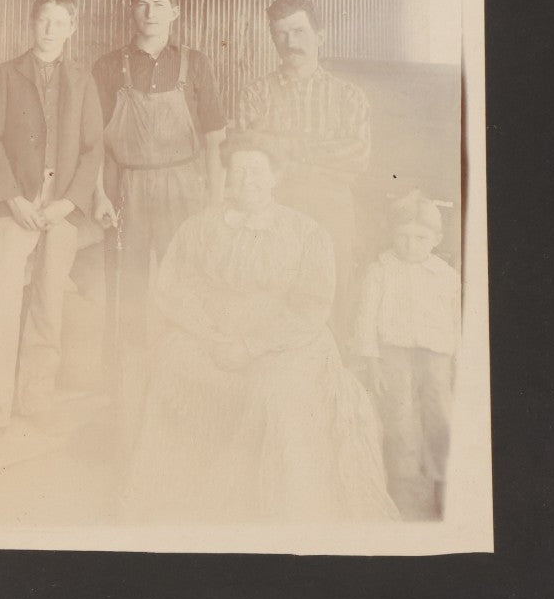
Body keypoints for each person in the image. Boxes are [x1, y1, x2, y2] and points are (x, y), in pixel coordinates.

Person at [121, 138, 397, 523]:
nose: (247, 180)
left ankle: (269, 512)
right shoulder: (198, 229)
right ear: (227, 179)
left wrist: (251, 346)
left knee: (273, 392)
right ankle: (176, 502)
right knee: (171, 363)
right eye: (238, 172)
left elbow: (311, 306)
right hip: (212, 337)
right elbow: (173, 288)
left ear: (275, 177)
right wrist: (213, 337)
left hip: (286, 344)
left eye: (257, 171)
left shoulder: (307, 233)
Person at [90, 0, 228, 459]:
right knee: (128, 290)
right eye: (141, 4)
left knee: (184, 286)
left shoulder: (197, 65)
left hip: (184, 189)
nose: (149, 13)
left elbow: (213, 139)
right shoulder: (109, 66)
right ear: (132, 12)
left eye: (159, 4)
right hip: (127, 188)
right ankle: (127, 400)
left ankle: (185, 385)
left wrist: (215, 198)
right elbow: (95, 144)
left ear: (175, 12)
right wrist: (101, 194)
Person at [0, 0, 104, 447]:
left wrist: (68, 202)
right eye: (44, 20)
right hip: (16, 204)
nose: (50, 29)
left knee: (49, 299)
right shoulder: (8, 74)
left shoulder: (83, 79)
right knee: (3, 301)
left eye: (60, 22)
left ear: (72, 29)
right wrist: (11, 198)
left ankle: (36, 396)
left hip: (60, 204)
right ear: (32, 23)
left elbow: (92, 148)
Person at [234, 0, 372, 339]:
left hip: (331, 209)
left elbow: (356, 157)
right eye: (281, 34)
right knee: (270, 295)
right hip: (274, 208)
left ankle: (334, 375)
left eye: (298, 31)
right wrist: (320, 153)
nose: (290, 43)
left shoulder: (348, 96)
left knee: (334, 294)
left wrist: (283, 148)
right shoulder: (255, 94)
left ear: (320, 36)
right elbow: (244, 155)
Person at [351, 191, 460, 520]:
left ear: (436, 238)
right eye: (403, 237)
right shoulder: (380, 270)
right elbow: (366, 318)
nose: (411, 245)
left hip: (436, 354)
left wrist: (457, 361)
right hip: (393, 352)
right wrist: (372, 361)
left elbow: (455, 321)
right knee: (398, 416)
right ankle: (402, 484)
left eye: (421, 238)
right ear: (391, 235)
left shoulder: (446, 275)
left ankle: (444, 479)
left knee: (439, 413)